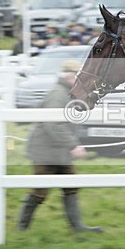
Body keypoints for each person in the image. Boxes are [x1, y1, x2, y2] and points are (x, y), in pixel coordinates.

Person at [17, 60, 102, 233]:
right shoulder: (58, 94)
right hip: (45, 151)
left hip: (58, 151)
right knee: (40, 192)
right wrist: (73, 146)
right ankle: (21, 228)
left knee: (71, 186)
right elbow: (54, 124)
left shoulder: (68, 92)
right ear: (71, 77)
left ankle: (77, 227)